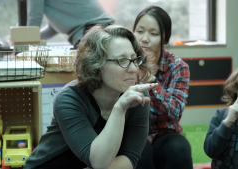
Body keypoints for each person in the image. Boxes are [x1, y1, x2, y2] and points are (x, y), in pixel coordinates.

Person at [24, 24, 158, 169]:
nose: (133, 69)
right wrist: (119, 108)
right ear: (97, 65)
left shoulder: (137, 96)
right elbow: (98, 162)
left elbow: (130, 158)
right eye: (122, 61)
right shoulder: (69, 99)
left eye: (134, 59)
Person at [133, 6, 192, 169]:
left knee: (179, 149)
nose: (145, 39)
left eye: (153, 33)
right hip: (131, 134)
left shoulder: (178, 67)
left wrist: (151, 82)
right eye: (140, 31)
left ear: (164, 39)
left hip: (164, 133)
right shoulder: (124, 63)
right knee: (138, 153)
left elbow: (174, 112)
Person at [27, 0, 114, 45]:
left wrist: (23, 44)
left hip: (91, 32)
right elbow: (53, 28)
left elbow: (35, 17)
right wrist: (21, 39)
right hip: (104, 28)